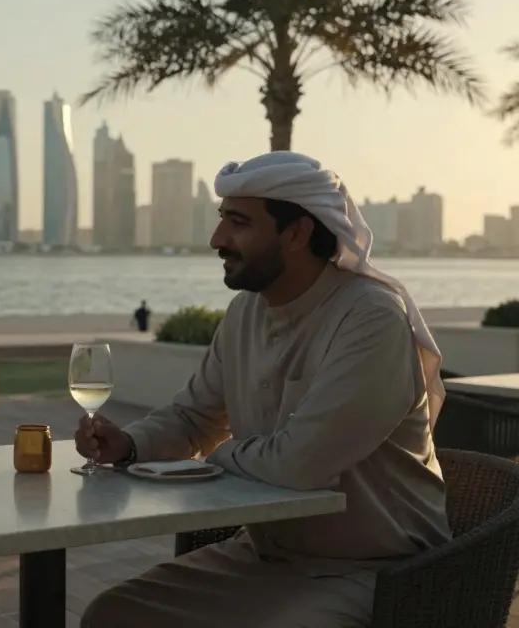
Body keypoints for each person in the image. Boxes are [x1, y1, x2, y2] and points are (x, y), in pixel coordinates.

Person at [76, 152, 451, 628]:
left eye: (238, 223)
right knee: (113, 615)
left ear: (296, 233)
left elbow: (300, 464)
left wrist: (219, 457)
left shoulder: (370, 317)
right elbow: (195, 418)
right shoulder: (245, 313)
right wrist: (130, 443)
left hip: (377, 567)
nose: (217, 240)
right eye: (221, 221)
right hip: (264, 555)